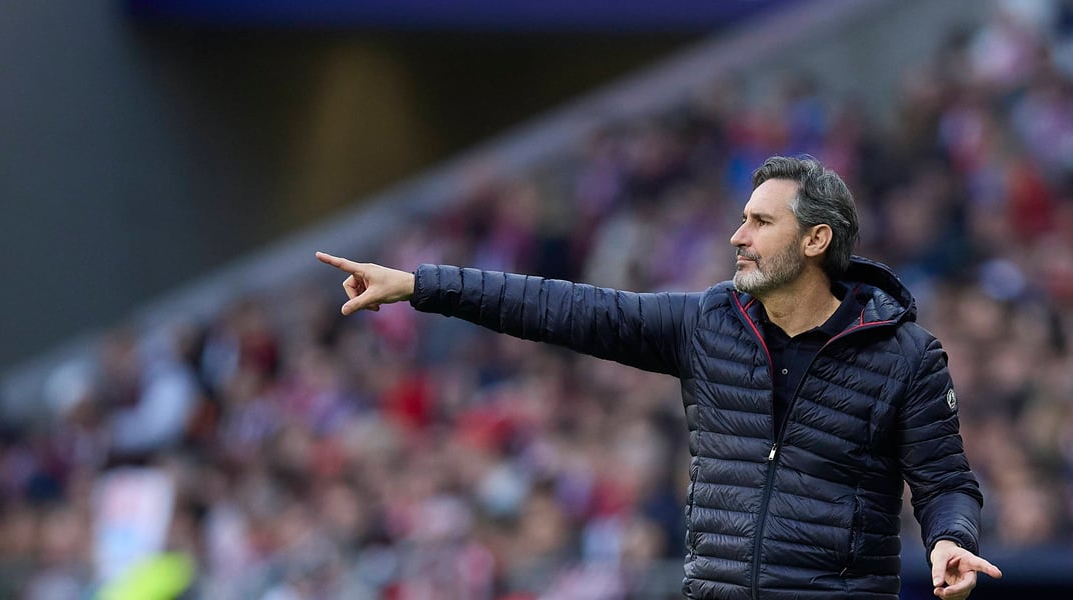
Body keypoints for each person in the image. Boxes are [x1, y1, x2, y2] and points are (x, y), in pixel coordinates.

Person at [316, 155, 1001, 600]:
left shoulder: (906, 355)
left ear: (816, 240)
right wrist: (421, 285)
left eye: (760, 222)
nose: (738, 237)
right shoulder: (708, 323)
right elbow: (561, 308)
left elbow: (946, 483)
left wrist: (952, 540)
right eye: (742, 219)